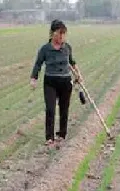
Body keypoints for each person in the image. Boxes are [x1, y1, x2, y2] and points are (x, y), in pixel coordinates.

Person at [30, 19, 82, 148]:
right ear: (53, 33)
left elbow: (72, 62)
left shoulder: (67, 48)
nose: (62, 37)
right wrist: (34, 78)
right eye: (60, 33)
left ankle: (61, 135)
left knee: (64, 109)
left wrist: (78, 75)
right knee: (50, 109)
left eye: (64, 34)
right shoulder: (45, 49)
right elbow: (38, 64)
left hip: (65, 82)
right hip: (50, 82)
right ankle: (49, 137)